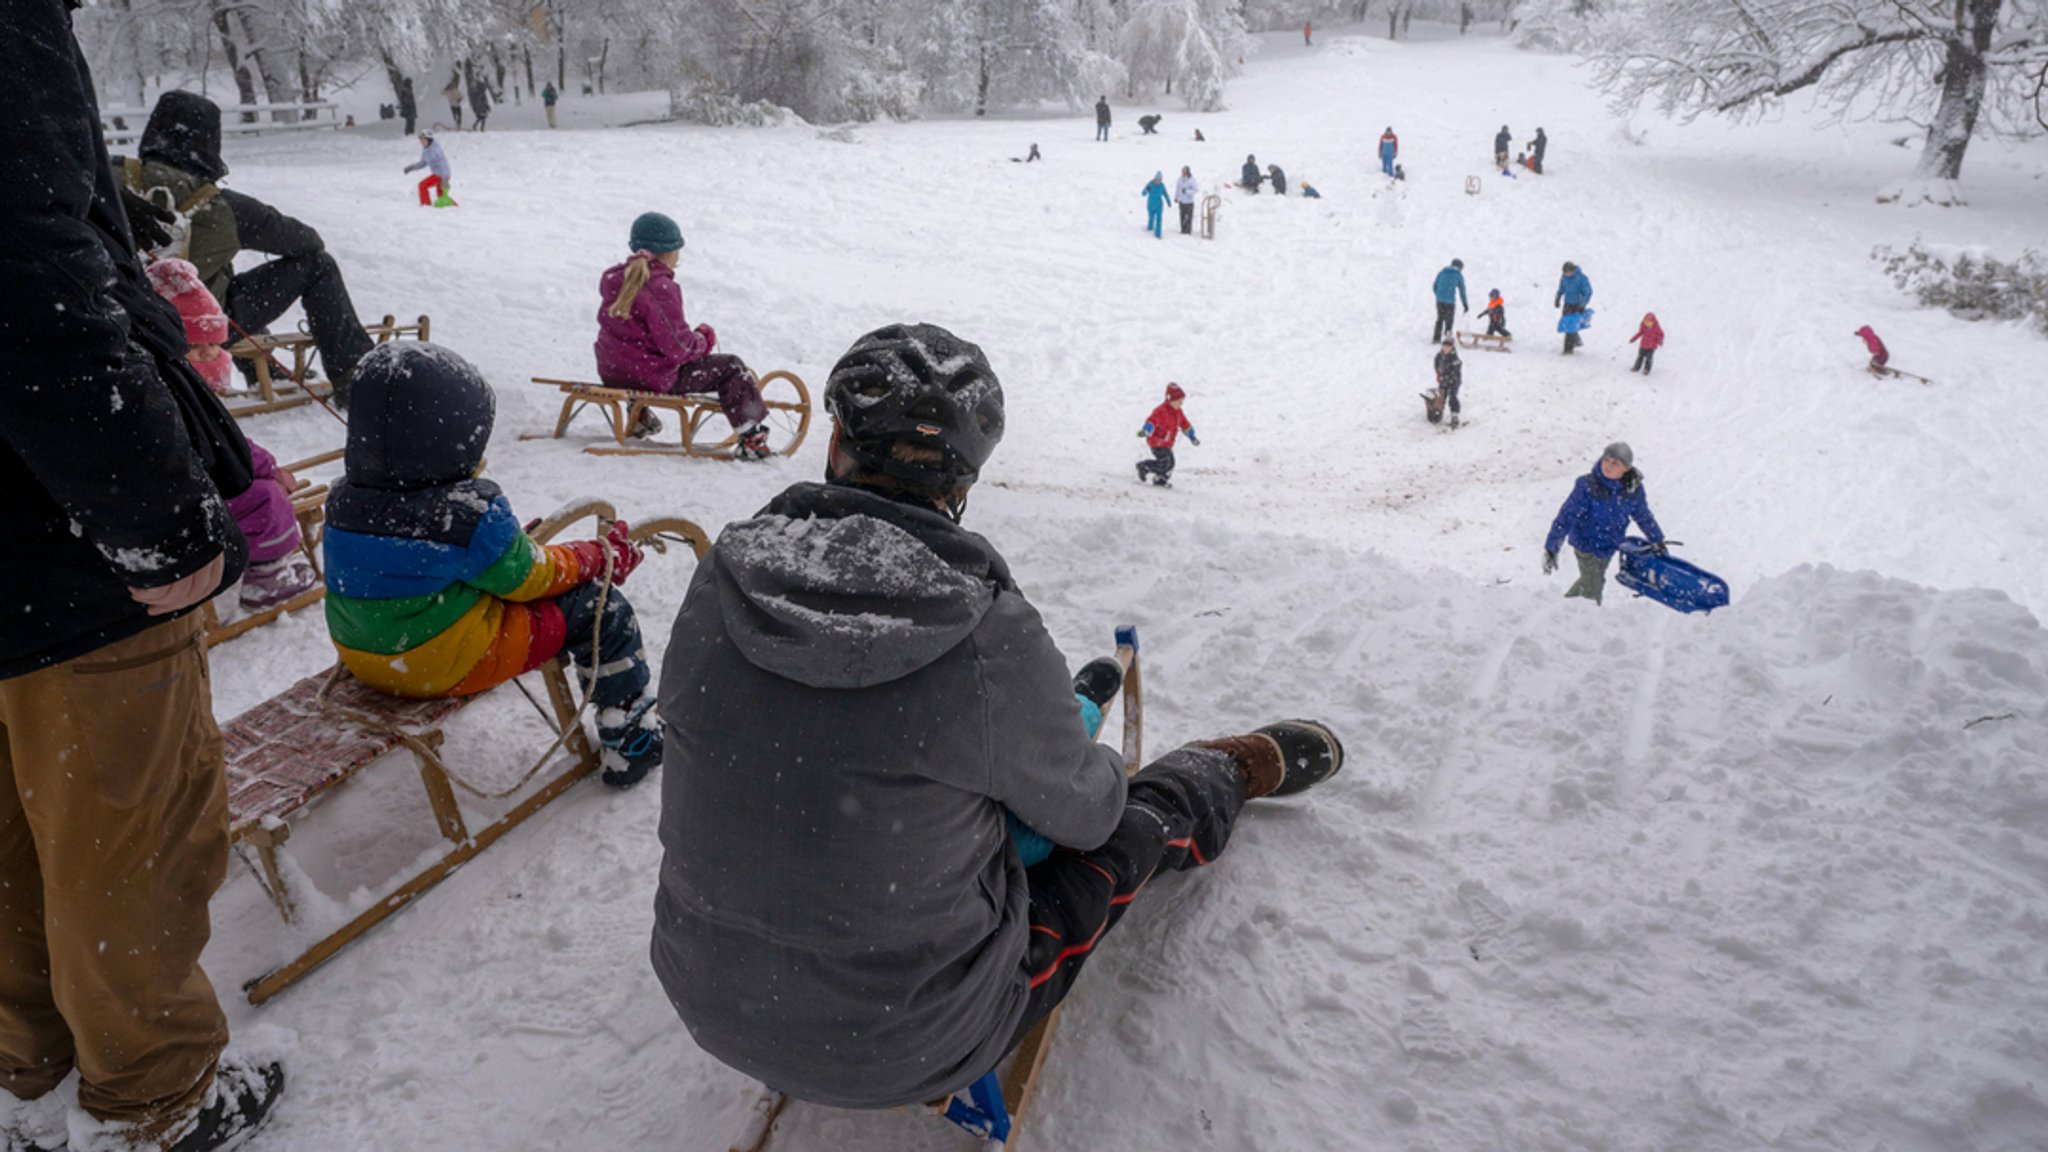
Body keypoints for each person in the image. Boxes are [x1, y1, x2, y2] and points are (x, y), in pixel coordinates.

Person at [649, 323, 1345, 1113]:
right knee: (1133, 823)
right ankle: (1224, 772)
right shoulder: (984, 633)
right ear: (967, 477)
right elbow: (1089, 815)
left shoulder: (719, 580)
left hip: (704, 998)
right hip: (914, 1041)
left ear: (837, 439)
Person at [1, 5, 286, 1149]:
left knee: (21, 828)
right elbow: (33, 277)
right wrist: (162, 521)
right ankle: (152, 1099)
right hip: (58, 533)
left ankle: (32, 1070)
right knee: (127, 830)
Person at [322, 342, 663, 786]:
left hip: (365, 654)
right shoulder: (465, 513)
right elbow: (532, 577)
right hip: (441, 662)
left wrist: (506, 544)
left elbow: (418, 561)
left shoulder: (343, 499)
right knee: (601, 607)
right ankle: (632, 739)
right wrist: (598, 557)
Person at [120, 91, 378, 405]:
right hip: (200, 330)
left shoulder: (105, 180)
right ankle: (353, 378)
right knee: (315, 265)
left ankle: (262, 367)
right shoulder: (228, 207)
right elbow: (308, 242)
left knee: (218, 276)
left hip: (120, 321)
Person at [594, 212, 772, 459]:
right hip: (653, 377)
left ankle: (640, 417)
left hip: (613, 371)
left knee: (638, 357)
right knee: (732, 367)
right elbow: (678, 347)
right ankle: (753, 439)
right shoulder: (659, 287)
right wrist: (704, 338)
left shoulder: (614, 279)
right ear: (668, 252)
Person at [1542, 442, 1665, 606]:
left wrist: (1656, 539)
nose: (1608, 465)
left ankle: (1562, 609)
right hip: (1586, 544)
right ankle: (1583, 618)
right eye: (1606, 459)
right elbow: (1566, 516)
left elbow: (1643, 516)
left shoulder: (1633, 490)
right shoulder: (1587, 486)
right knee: (1593, 588)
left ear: (1626, 469)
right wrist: (1552, 547)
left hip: (1609, 546)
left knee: (1592, 581)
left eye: (1616, 463)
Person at [1136, 382, 1198, 486]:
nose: (1180, 404)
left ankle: (1161, 479)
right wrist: (1146, 430)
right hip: (1157, 442)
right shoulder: (1161, 411)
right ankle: (1144, 466)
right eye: (1179, 402)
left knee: (1170, 463)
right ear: (1170, 400)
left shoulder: (1178, 412)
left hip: (1167, 443)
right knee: (1166, 462)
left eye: (1181, 402)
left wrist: (1191, 435)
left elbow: (1185, 424)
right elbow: (1151, 421)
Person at [404, 130, 455, 207]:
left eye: (424, 140)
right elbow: (423, 163)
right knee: (441, 196)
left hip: (441, 175)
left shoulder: (435, 151)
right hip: (440, 174)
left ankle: (426, 205)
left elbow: (443, 166)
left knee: (422, 185)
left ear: (429, 140)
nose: (422, 142)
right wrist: (411, 167)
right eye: (421, 140)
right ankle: (455, 206)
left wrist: (445, 179)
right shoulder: (427, 149)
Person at [1555, 260, 1593, 354]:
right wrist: (1558, 297)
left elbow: (1588, 292)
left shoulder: (1581, 278)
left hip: (1577, 305)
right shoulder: (1564, 278)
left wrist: (1582, 304)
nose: (1566, 274)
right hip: (1567, 304)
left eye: (1568, 272)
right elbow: (1561, 288)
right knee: (1567, 324)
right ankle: (1576, 341)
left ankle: (1568, 349)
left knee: (1570, 326)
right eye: (1565, 273)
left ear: (1572, 271)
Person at [1432, 258, 1469, 344]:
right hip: (1450, 302)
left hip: (1439, 301)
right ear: (1459, 267)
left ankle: (1436, 338)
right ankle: (1447, 339)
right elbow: (1462, 291)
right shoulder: (1458, 275)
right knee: (1449, 320)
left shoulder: (1442, 272)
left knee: (1440, 319)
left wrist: (1439, 296)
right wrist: (1465, 304)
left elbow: (1434, 286)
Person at [1433, 339, 1465, 429]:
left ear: (1452, 347)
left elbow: (1455, 372)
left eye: (1448, 347)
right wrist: (1439, 373)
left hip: (1453, 382)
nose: (1446, 348)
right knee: (1441, 397)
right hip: (1443, 381)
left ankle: (1455, 415)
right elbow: (1436, 365)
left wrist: (1448, 378)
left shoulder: (1455, 359)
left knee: (1452, 397)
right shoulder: (1439, 356)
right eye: (1444, 346)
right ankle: (1438, 412)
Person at [1141, 172, 1172, 239]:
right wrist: (1146, 190)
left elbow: (1165, 194)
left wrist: (1168, 202)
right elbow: (1143, 193)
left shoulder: (1162, 185)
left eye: (1160, 180)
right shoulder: (1150, 184)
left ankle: (1158, 234)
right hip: (1151, 204)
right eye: (1157, 180)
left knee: (1159, 219)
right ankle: (1150, 228)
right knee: (1151, 217)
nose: (1158, 181)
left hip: (1159, 205)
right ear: (1155, 179)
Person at [1174, 166, 1199, 234]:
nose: (1183, 173)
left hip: (1189, 202)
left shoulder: (1192, 180)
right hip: (1181, 201)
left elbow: (1196, 190)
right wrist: (1176, 197)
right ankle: (1183, 229)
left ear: (1188, 172)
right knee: (1182, 216)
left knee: (1188, 217)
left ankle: (1188, 230)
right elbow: (1177, 188)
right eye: (1182, 172)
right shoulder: (1179, 179)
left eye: (1184, 172)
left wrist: (1187, 191)